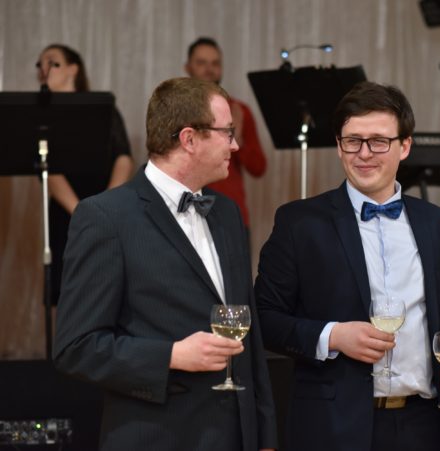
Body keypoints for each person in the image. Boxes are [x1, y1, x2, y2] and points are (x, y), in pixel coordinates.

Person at [53, 77, 276, 451]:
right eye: (227, 133)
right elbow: (76, 347)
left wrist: (264, 436)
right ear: (189, 139)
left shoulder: (227, 213)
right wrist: (171, 356)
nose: (235, 145)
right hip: (158, 436)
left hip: (236, 436)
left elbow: (248, 334)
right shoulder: (105, 217)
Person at [255, 81, 440, 451]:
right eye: (353, 141)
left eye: (378, 141)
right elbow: (264, 317)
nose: (364, 153)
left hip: (424, 423)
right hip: (333, 426)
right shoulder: (300, 223)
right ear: (339, 146)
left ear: (405, 146)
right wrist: (332, 336)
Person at [36, 44, 134, 305]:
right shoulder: (40, 114)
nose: (43, 69)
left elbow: (123, 158)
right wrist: (81, 211)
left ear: (73, 69)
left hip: (108, 210)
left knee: (109, 291)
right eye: (39, 64)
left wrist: (106, 208)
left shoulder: (101, 108)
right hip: (66, 214)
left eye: (52, 62)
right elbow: (49, 170)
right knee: (67, 293)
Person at [185, 37, 266, 236]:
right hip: (185, 214)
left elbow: (258, 168)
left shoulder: (239, 111)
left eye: (215, 63)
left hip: (230, 216)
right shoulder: (177, 111)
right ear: (188, 67)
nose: (209, 69)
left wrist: (237, 138)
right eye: (201, 63)